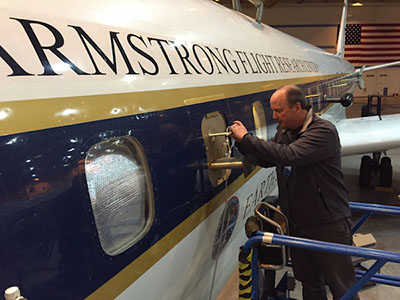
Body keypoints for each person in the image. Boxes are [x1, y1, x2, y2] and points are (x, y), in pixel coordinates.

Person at [230, 85, 359, 300]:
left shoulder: (323, 131)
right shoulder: (286, 132)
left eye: (279, 110)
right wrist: (243, 144)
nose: (274, 116)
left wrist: (248, 139)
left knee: (341, 285)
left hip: (328, 224)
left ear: (297, 107)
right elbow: (269, 159)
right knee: (309, 281)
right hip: (298, 224)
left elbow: (289, 155)